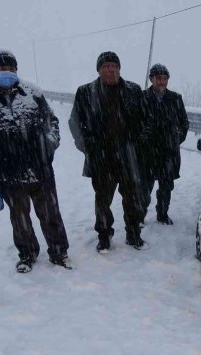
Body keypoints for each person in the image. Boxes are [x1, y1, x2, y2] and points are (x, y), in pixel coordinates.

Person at [0, 49, 71, 273]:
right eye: (0, 68)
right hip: (8, 171)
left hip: (40, 168)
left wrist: (49, 145)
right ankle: (27, 253)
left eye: (10, 68)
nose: (6, 72)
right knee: (19, 217)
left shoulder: (32, 92)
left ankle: (58, 251)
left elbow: (51, 121)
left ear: (16, 69)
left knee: (50, 213)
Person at [69, 51, 152, 252]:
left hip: (128, 156)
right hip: (101, 157)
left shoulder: (133, 90)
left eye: (114, 66)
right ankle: (104, 235)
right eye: (106, 66)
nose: (111, 69)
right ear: (99, 70)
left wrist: (139, 143)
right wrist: (88, 147)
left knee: (132, 198)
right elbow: (75, 123)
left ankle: (133, 233)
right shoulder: (85, 92)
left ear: (119, 69)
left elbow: (146, 120)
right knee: (102, 200)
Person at [140, 64, 189, 225]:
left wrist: (177, 138)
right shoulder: (142, 98)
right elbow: (134, 123)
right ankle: (139, 216)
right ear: (151, 79)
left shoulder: (175, 98)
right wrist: (142, 138)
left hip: (169, 153)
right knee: (144, 188)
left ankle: (162, 214)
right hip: (148, 152)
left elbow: (184, 123)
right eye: (158, 78)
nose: (162, 82)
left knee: (166, 187)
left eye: (165, 78)